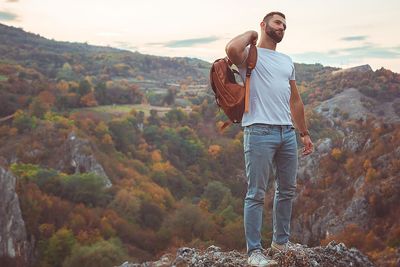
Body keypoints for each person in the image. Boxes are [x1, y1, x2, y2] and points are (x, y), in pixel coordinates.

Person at [225, 11, 314, 267]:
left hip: (287, 133)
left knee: (286, 190)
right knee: (256, 194)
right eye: (278, 23)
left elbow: (295, 100)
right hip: (258, 131)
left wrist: (304, 133)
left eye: (285, 25)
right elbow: (231, 48)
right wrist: (252, 35)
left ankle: (280, 243)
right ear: (264, 25)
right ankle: (254, 253)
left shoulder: (287, 61)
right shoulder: (249, 55)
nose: (282, 27)